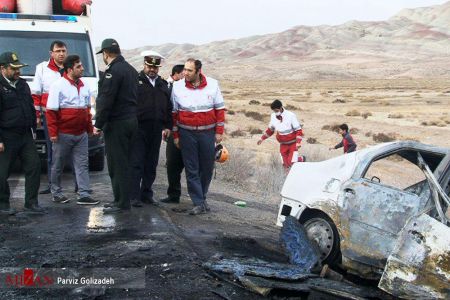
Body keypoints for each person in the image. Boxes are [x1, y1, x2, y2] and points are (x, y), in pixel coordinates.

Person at [171, 58, 225, 215]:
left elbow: (220, 109)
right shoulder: (177, 86)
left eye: (189, 70)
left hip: (207, 133)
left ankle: (202, 197)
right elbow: (174, 113)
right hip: (186, 133)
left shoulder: (213, 84)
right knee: (191, 168)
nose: (185, 73)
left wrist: (219, 131)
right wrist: (176, 135)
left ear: (198, 71)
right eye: (184, 70)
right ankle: (198, 202)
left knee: (207, 168)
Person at [46, 55, 99, 205]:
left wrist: (89, 129)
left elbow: (87, 110)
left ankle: (83, 194)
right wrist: (53, 133)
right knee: (58, 164)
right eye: (79, 66)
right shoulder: (58, 85)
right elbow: (51, 112)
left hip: (81, 134)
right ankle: (56, 192)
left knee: (82, 164)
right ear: (70, 69)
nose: (82, 69)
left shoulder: (85, 86)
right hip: (63, 134)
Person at [95, 39, 138, 214]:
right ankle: (123, 199)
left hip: (117, 123)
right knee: (126, 162)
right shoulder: (131, 70)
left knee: (117, 163)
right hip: (131, 121)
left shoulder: (114, 72)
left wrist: (98, 124)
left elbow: (106, 100)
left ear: (106, 53)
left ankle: (121, 202)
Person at [0, 51, 44, 215]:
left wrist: (33, 129)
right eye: (14, 68)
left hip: (25, 134)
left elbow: (30, 108)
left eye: (19, 68)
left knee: (34, 166)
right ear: (2, 69)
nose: (18, 71)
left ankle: (31, 203)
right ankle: (3, 204)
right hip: (6, 135)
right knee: (2, 172)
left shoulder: (23, 84)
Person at [129, 51, 172, 207]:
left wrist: (168, 126)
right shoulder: (135, 82)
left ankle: (146, 193)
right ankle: (133, 195)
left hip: (156, 128)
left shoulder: (162, 85)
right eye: (149, 66)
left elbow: (168, 107)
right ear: (144, 65)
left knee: (151, 163)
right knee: (137, 162)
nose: (152, 69)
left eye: (155, 67)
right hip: (139, 127)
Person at [31, 40, 68, 195]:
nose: (61, 54)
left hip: (68, 116)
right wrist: (38, 116)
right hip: (50, 117)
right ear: (51, 53)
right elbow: (36, 93)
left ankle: (79, 186)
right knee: (52, 150)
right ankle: (52, 184)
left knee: (73, 151)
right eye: (58, 51)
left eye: (63, 51)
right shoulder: (42, 69)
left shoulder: (71, 67)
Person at [160, 64, 185, 204]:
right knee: (172, 164)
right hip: (173, 129)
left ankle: (198, 197)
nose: (185, 75)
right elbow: (166, 109)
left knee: (192, 165)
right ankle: (173, 194)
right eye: (183, 72)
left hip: (189, 131)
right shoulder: (167, 86)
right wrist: (166, 127)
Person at [257, 99, 305, 171]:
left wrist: (298, 142)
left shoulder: (291, 115)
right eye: (274, 111)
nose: (275, 112)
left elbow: (298, 130)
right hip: (283, 144)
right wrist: (262, 138)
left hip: (293, 143)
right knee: (285, 165)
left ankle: (300, 159)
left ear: (281, 107)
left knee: (291, 163)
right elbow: (270, 130)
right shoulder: (273, 116)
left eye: (276, 110)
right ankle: (287, 179)